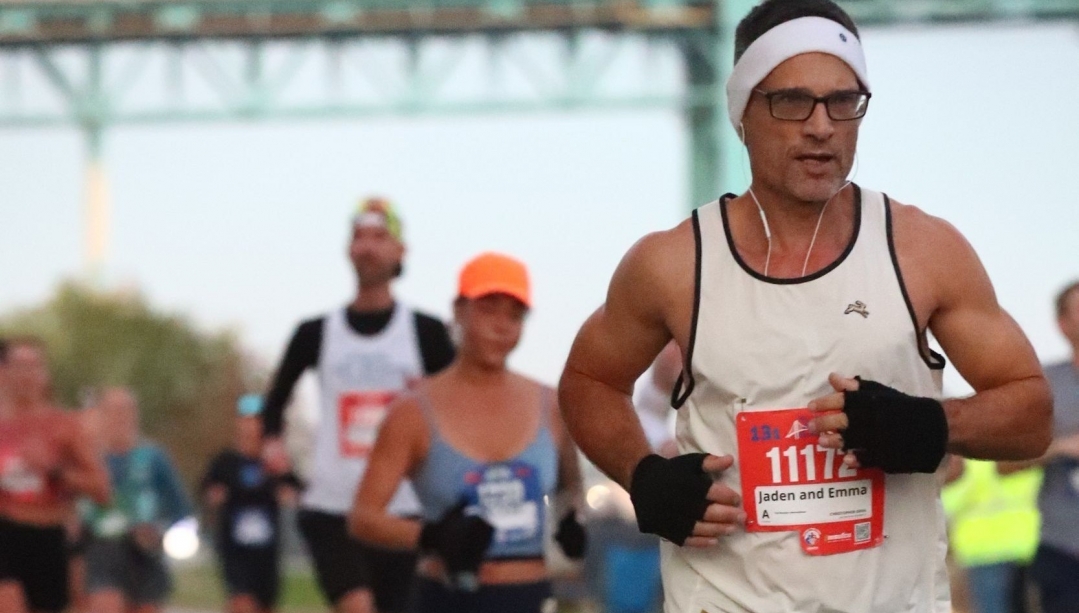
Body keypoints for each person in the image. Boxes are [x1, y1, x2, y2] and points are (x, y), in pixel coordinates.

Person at [556, 1, 1053, 611]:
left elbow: (1031, 412)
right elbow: (588, 380)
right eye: (792, 101)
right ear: (742, 113)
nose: (822, 126)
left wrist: (932, 426)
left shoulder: (924, 250)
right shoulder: (673, 264)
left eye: (843, 102)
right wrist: (642, 475)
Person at [349, 252, 586, 613]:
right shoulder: (413, 411)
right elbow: (364, 517)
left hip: (531, 597)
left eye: (515, 314)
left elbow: (570, 493)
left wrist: (571, 523)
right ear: (459, 310)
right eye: (488, 309)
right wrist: (431, 536)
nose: (502, 325)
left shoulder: (551, 405)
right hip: (447, 597)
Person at [261, 197, 456, 613]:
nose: (368, 247)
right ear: (348, 249)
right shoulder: (315, 332)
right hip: (333, 508)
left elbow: (462, 406)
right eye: (359, 237)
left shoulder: (426, 332)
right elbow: (275, 400)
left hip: (403, 510)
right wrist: (274, 448)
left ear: (400, 251)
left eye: (379, 237)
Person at [0, 337, 111, 613]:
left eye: (33, 366)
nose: (26, 375)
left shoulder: (64, 426)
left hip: (49, 533)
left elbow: (102, 490)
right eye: (18, 366)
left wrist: (55, 470)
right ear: (4, 371)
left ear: (44, 374)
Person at [82, 387, 193, 613]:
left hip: (145, 552)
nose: (120, 418)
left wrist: (161, 532)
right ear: (101, 416)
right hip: (102, 549)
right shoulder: (89, 458)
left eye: (126, 410)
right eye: (113, 411)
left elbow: (180, 509)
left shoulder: (153, 457)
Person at [202, 394, 302, 613]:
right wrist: (215, 496)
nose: (251, 427)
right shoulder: (225, 462)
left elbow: (297, 491)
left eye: (257, 421)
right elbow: (208, 489)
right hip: (235, 551)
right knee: (242, 603)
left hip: (267, 553)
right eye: (246, 420)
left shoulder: (274, 463)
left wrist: (285, 483)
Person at [1028, 280, 1079, 613]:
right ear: (1062, 324)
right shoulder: (1044, 384)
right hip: (1063, 550)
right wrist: (1061, 447)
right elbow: (1005, 464)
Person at [941, 458, 1041, 613]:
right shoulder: (1021, 454)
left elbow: (949, 504)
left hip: (984, 552)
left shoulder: (968, 460)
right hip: (1025, 546)